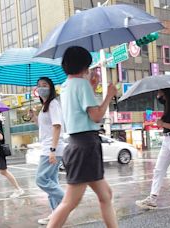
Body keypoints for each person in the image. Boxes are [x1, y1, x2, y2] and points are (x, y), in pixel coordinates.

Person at [47, 46, 118, 228]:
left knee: (105, 195)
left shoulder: (66, 85)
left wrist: (92, 87)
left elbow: (80, 108)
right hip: (86, 146)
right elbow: (95, 116)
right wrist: (108, 96)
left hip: (79, 144)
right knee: (70, 202)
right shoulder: (81, 85)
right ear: (84, 66)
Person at [29, 77, 65, 225]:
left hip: (52, 148)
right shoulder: (45, 107)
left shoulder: (53, 104)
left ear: (51, 89)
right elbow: (46, 127)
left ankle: (67, 200)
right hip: (48, 147)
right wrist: (34, 118)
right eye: (39, 86)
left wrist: (52, 150)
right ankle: (56, 214)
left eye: (45, 85)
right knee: (51, 181)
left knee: (41, 179)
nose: (41, 87)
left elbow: (57, 126)